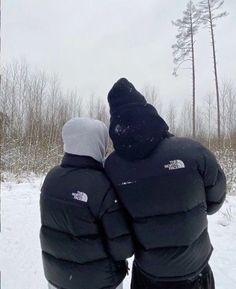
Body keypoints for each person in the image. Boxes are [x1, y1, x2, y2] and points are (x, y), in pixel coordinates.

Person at [105, 78, 227, 289]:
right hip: (195, 273)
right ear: (149, 112)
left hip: (148, 275)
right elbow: (215, 201)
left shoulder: (111, 167)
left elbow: (114, 221)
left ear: (116, 124)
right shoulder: (192, 152)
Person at [40, 117, 134, 289]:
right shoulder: (101, 183)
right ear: (98, 142)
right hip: (98, 282)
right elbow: (122, 248)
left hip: (56, 278)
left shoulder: (51, 177)